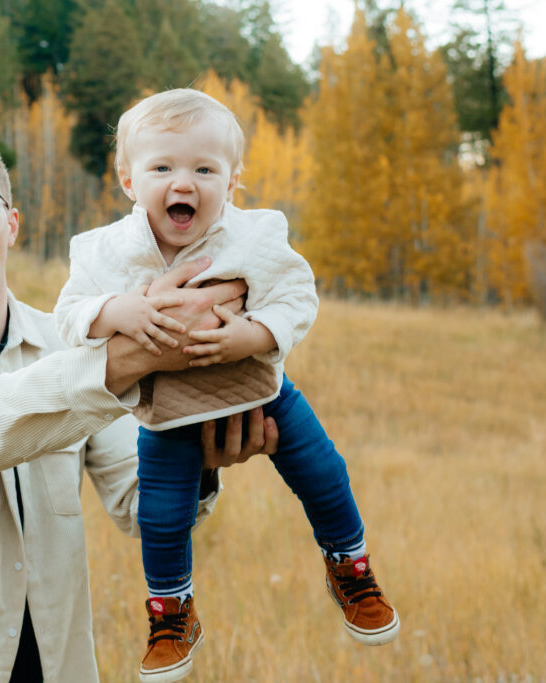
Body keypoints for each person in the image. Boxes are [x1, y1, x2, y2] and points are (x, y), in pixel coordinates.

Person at [0, 125, 278, 682]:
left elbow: (139, 506)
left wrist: (202, 461)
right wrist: (143, 352)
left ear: (11, 224)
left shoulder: (71, 346)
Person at [54, 88, 400, 682]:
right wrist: (118, 311)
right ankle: (171, 612)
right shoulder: (105, 251)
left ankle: (350, 565)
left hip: (263, 394)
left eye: (204, 169)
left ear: (234, 179)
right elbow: (69, 315)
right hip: (168, 412)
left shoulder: (255, 236)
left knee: (323, 471)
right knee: (162, 516)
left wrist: (256, 335)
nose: (182, 182)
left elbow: (297, 296)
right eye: (162, 167)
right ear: (127, 179)